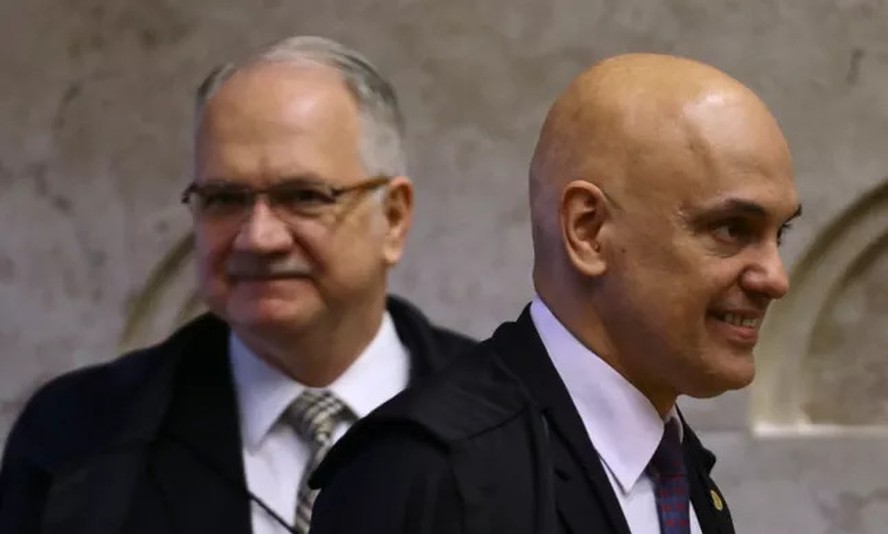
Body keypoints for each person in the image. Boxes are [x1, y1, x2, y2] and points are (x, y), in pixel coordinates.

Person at [309, 53, 802, 534]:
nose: (776, 278)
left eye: (778, 234)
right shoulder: (424, 471)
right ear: (588, 230)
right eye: (731, 229)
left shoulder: (679, 470)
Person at [0, 36, 474, 534]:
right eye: (225, 199)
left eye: (304, 196)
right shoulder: (79, 436)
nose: (258, 238)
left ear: (393, 218)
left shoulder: (516, 423)